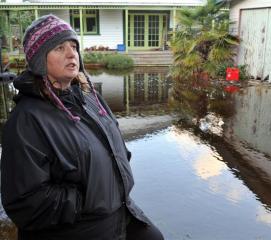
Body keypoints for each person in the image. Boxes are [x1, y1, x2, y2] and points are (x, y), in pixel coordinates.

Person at [0, 14, 164, 240]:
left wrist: (116, 170)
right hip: (81, 227)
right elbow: (24, 202)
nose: (71, 54)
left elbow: (114, 138)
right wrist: (86, 198)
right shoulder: (27, 120)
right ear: (39, 59)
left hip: (120, 209)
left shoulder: (89, 98)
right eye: (59, 47)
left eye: (74, 46)